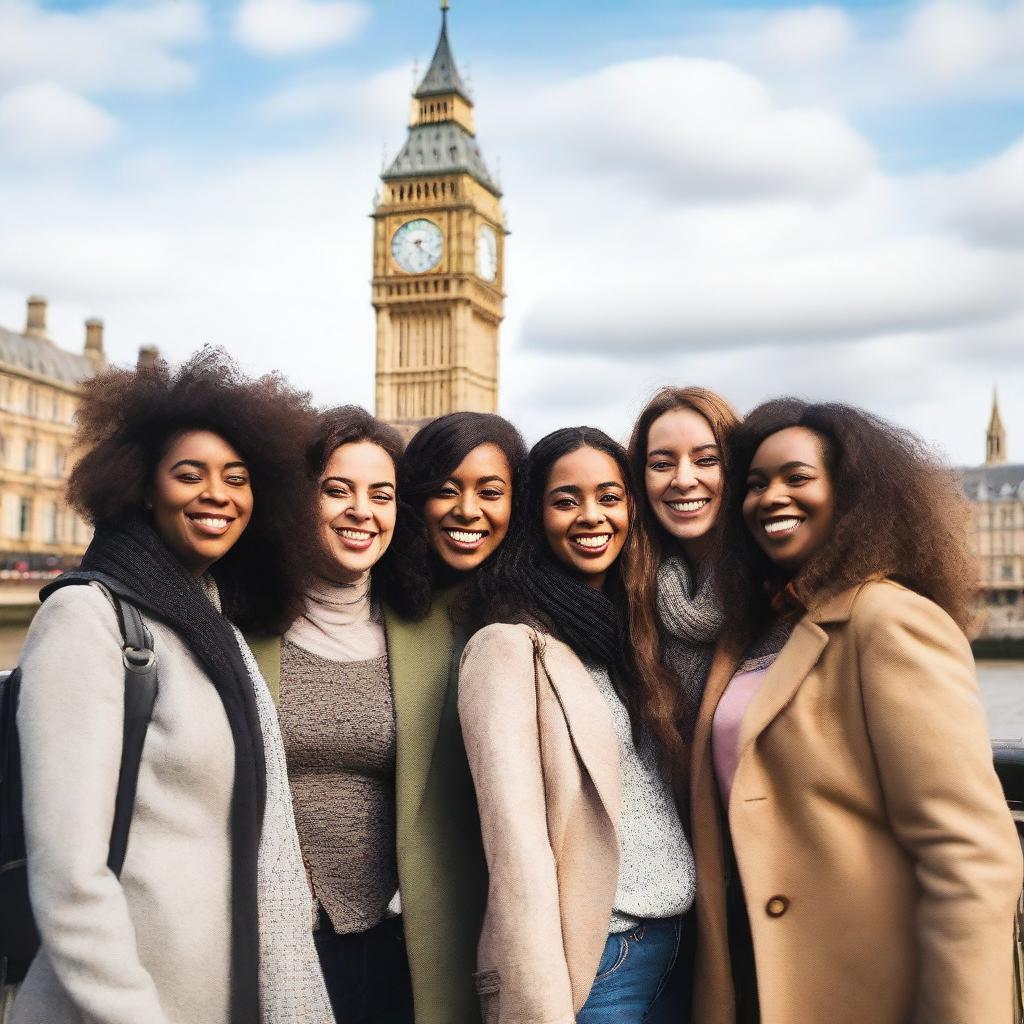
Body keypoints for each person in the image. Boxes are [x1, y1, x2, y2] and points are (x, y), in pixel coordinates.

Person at [11, 350, 332, 1024]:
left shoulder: (213, 627)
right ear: (143, 488)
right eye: (190, 475)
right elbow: (70, 878)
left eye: (238, 479)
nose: (217, 494)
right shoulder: (87, 620)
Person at [690, 399, 1023, 1024]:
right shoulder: (768, 626)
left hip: (862, 988)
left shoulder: (889, 618)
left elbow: (971, 855)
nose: (771, 497)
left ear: (852, 495)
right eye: (755, 484)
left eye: (797, 477)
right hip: (761, 974)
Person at [459, 427, 695, 1024]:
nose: (592, 516)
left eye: (610, 497)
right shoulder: (509, 646)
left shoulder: (637, 636)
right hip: (597, 961)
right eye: (566, 500)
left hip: (681, 946)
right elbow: (516, 848)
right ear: (535, 514)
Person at [274, 405, 428, 1023]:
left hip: (398, 938)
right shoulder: (238, 622)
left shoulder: (421, 629)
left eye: (381, 494)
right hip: (278, 936)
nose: (361, 511)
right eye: (336, 490)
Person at [388, 411, 528, 1024]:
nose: (466, 510)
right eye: (445, 488)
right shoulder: (379, 607)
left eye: (490, 491)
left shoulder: (545, 613)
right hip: (390, 934)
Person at [627, 386, 739, 759]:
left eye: (707, 460)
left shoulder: (777, 589)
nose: (684, 479)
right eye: (662, 464)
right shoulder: (627, 590)